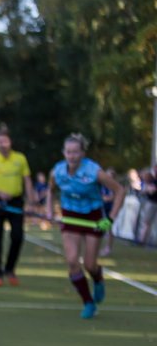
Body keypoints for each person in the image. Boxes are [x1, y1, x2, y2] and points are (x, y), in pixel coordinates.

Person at [44, 133, 126, 319]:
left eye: (75, 152)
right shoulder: (57, 172)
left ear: (82, 153)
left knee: (90, 264)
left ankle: (98, 277)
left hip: (92, 217)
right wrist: (49, 211)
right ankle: (88, 302)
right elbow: (50, 190)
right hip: (70, 217)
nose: (71, 156)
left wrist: (110, 219)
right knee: (72, 261)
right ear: (64, 153)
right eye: (68, 152)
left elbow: (120, 190)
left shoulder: (94, 171)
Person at [0, 125, 35, 286]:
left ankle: (9, 269)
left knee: (17, 236)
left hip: (16, 202)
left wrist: (31, 202)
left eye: (5, 141)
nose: (2, 144)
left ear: (10, 142)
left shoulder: (20, 159)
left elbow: (27, 180)